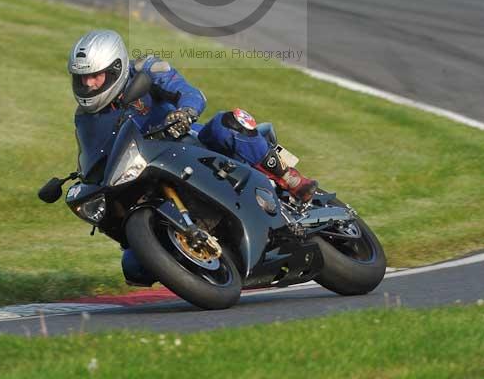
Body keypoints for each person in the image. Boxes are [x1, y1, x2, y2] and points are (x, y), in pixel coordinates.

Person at [68, 29, 317, 286]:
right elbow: (94, 156)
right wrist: (86, 180)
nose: (88, 85)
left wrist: (185, 112)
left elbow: (188, 92)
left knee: (227, 123)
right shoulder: (85, 119)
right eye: (82, 78)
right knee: (133, 266)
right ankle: (200, 260)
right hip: (149, 171)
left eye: (95, 77)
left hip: (191, 145)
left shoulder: (146, 69)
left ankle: (289, 178)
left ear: (116, 67)